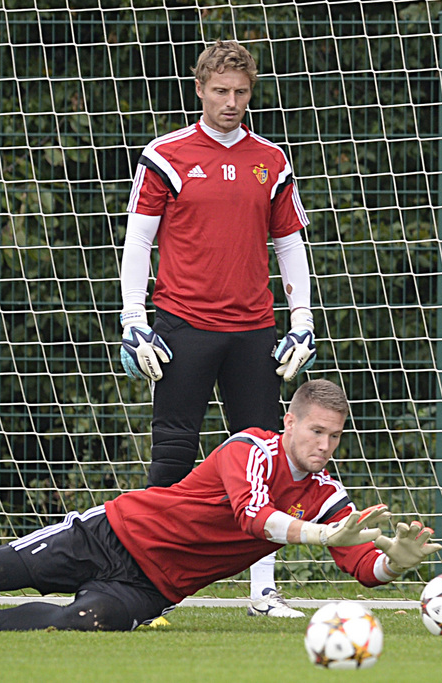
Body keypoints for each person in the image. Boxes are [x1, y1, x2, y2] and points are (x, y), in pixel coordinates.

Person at [0, 380, 440, 631]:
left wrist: (394, 566)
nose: (323, 445)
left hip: (155, 586)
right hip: (116, 534)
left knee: (83, 621)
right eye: (315, 430)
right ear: (289, 421)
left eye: (334, 435)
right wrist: (320, 539)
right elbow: (253, 517)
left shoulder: (328, 494)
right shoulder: (251, 447)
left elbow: (359, 560)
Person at [118, 40, 317, 617]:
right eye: (221, 91)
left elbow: (289, 244)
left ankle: (262, 593)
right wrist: (134, 318)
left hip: (255, 329)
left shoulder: (272, 160)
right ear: (199, 89)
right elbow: (139, 242)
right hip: (182, 325)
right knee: (173, 456)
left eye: (242, 92)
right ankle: (146, 587)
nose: (232, 102)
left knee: (266, 460)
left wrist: (301, 320)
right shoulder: (165, 155)